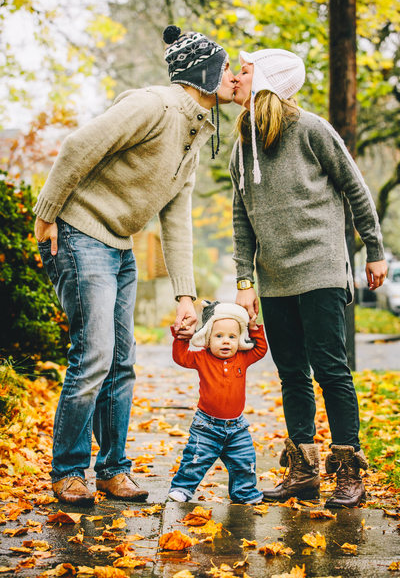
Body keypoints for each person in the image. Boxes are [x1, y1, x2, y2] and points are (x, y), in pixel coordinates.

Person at [33, 25, 236, 507]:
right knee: (95, 357)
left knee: (122, 364)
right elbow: (78, 146)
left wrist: (185, 294)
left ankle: (112, 469)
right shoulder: (154, 105)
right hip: (81, 233)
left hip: (119, 246)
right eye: (227, 66)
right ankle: (68, 471)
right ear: (203, 72)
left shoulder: (195, 132)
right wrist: (45, 215)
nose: (234, 75)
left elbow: (177, 217)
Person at [230, 48, 387, 508]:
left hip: (320, 269)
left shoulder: (312, 129)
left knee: (332, 370)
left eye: (244, 69)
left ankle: (347, 472)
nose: (235, 76)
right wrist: (245, 280)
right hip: (275, 278)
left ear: (269, 80)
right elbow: (241, 215)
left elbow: (355, 186)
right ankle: (302, 471)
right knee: (291, 374)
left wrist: (374, 250)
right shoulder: (244, 143)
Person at [168, 300, 268, 504]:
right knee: (195, 459)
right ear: (207, 338)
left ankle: (245, 492)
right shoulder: (202, 358)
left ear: (239, 339)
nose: (226, 342)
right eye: (219, 336)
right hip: (206, 425)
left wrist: (254, 328)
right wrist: (181, 338)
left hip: (237, 427)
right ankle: (183, 488)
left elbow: (260, 350)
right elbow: (181, 358)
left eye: (232, 337)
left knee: (245, 461)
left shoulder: (242, 358)